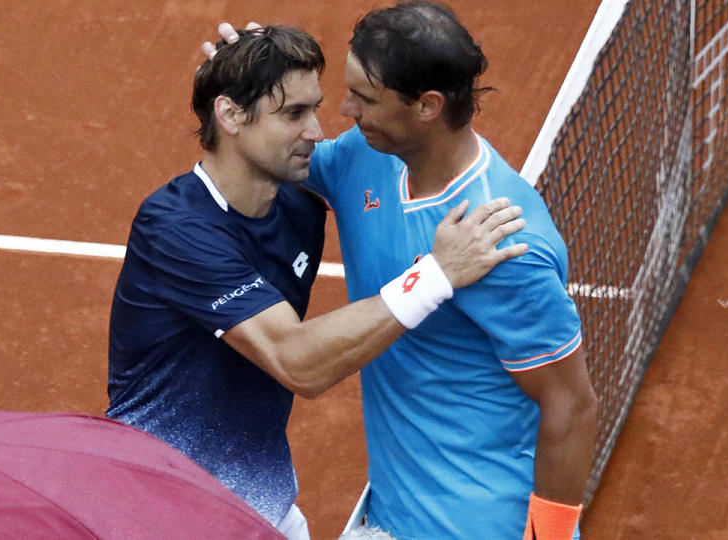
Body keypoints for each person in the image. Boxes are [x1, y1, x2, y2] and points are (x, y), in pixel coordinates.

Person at [106, 25, 528, 540]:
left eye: (314, 109)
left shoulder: (300, 204)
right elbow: (298, 362)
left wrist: (245, 64)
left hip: (265, 507)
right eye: (293, 114)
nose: (317, 132)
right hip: (162, 512)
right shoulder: (175, 229)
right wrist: (435, 274)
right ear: (230, 114)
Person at [210, 3, 599, 539]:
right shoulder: (367, 156)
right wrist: (246, 89)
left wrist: (551, 537)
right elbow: (281, 156)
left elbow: (571, 404)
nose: (346, 110)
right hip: (390, 516)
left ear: (427, 106)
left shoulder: (505, 244)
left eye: (365, 99)